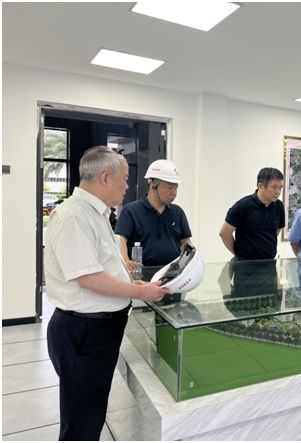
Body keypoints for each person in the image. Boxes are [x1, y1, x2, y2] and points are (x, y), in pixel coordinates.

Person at [44, 146, 171, 440]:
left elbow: (103, 267)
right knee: (81, 422)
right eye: (124, 179)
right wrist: (140, 293)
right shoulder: (73, 216)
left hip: (98, 330)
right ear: (105, 178)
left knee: (91, 412)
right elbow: (89, 278)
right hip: (84, 331)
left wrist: (135, 285)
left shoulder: (97, 213)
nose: (127, 186)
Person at [115, 159, 192, 271]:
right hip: (141, 275)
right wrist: (126, 262)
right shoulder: (131, 211)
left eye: (176, 188)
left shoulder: (178, 212)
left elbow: (186, 243)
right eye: (169, 187)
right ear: (152, 187)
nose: (174, 193)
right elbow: (120, 240)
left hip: (172, 274)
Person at [219, 167, 285, 260]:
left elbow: (276, 231)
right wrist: (238, 254)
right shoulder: (243, 206)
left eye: (280, 188)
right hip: (244, 264)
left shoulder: (279, 206)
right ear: (260, 186)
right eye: (274, 187)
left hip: (269, 263)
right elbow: (224, 233)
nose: (278, 192)